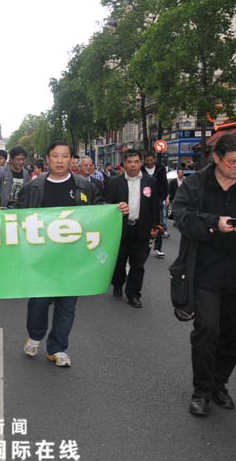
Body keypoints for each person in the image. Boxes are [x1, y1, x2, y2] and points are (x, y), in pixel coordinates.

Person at [15, 141, 104, 367]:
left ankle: (57, 348)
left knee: (67, 305)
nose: (60, 160)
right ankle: (35, 336)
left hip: (73, 258)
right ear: (48, 159)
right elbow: (15, 214)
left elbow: (100, 211)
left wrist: (118, 210)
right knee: (39, 300)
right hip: (42, 257)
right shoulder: (32, 187)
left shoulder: (85, 186)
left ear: (72, 159)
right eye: (55, 156)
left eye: (65, 156)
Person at [172, 133, 236, 417]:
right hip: (204, 271)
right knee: (207, 330)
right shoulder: (196, 184)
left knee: (232, 333)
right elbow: (181, 216)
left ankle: (218, 384)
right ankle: (201, 390)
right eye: (232, 162)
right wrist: (213, 224)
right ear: (217, 158)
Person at [104, 149, 160, 308]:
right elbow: (106, 205)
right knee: (119, 261)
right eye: (129, 162)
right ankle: (117, 284)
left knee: (138, 264)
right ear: (124, 164)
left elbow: (154, 206)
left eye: (136, 162)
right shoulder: (114, 182)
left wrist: (156, 226)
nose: (133, 165)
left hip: (142, 229)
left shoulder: (150, 182)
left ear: (141, 163)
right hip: (120, 229)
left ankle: (133, 294)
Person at [142, 151, 169, 256]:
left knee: (158, 223)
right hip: (144, 200)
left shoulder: (161, 169)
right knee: (144, 223)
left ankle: (158, 248)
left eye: (151, 160)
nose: (149, 162)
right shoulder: (141, 169)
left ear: (154, 159)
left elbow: (165, 185)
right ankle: (144, 246)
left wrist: (161, 198)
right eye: (147, 160)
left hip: (157, 201)